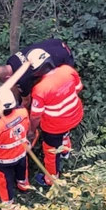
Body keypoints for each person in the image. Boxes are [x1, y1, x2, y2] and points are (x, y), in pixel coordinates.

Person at [26, 53, 83, 187]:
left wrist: (31, 131)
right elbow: (78, 88)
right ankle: (65, 151)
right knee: (65, 133)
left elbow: (35, 116)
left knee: (51, 152)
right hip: (75, 115)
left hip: (54, 127)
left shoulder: (40, 89)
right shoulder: (67, 70)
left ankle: (51, 179)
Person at [0, 87, 30, 210]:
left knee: (5, 183)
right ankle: (24, 186)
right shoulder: (22, 112)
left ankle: (8, 208)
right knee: (22, 171)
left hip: (4, 161)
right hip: (21, 152)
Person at [0, 38, 74, 99]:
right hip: (56, 43)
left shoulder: (21, 79)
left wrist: (20, 110)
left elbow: (26, 100)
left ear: (8, 77)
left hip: (65, 58)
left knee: (62, 83)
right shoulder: (11, 59)